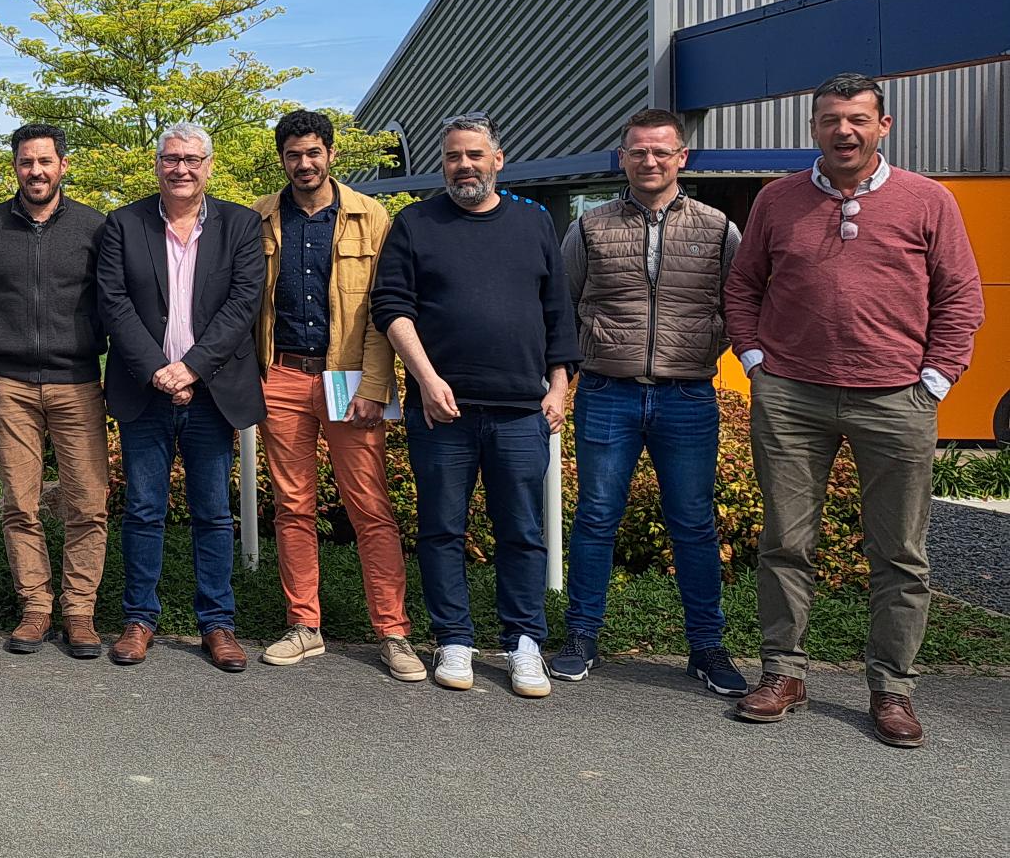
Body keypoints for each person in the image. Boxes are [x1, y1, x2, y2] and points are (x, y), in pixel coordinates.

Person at [725, 72, 984, 748]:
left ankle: (892, 688)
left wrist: (935, 379)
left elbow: (961, 296)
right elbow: (743, 286)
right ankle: (783, 673)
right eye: (831, 119)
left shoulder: (928, 200)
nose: (844, 131)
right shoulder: (777, 200)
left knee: (899, 552)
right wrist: (755, 361)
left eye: (858, 119)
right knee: (785, 542)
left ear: (882, 126)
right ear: (814, 127)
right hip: (792, 395)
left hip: (896, 397)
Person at [371, 114, 576, 697]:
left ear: (498, 160)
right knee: (441, 529)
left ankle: (524, 643)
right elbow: (391, 306)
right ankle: (454, 639)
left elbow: (558, 310)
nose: (464, 166)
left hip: (521, 411)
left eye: (474, 155)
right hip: (442, 411)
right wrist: (426, 379)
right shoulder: (415, 223)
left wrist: (559, 386)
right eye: (453, 156)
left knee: (522, 532)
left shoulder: (534, 222)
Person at [553, 109, 747, 695]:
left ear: (682, 157)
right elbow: (563, 304)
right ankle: (581, 637)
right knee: (595, 518)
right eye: (638, 151)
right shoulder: (590, 227)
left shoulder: (718, 228)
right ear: (623, 158)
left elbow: (739, 303)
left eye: (662, 151)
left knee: (693, 523)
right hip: (606, 391)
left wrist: (707, 343)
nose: (650, 160)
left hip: (687, 395)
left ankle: (706, 647)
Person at [248, 110, 422, 682]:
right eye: (294, 154)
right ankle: (304, 625)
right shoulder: (260, 217)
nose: (304, 163)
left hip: (348, 377)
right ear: (282, 159)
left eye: (313, 152)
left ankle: (393, 631)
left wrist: (374, 383)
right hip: (282, 376)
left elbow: (383, 306)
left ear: (331, 154)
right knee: (292, 506)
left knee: (369, 506)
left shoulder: (371, 216)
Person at [95, 123, 265, 672]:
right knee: (143, 510)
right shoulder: (124, 224)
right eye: (171, 159)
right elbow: (113, 303)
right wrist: (158, 371)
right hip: (145, 391)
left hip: (212, 392)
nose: (181, 169)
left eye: (192, 159)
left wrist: (190, 369)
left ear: (209, 165)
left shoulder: (241, 225)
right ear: (157, 164)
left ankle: (217, 624)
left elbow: (243, 304)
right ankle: (139, 619)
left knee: (213, 512)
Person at [0, 121, 111, 659]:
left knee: (88, 502)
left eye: (45, 161)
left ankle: (79, 612)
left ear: (62, 166)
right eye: (26, 162)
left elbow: (110, 301)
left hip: (77, 382)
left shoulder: (95, 228)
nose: (36, 171)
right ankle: (36, 607)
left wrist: (90, 342)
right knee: (20, 503)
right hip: (10, 384)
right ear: (15, 167)